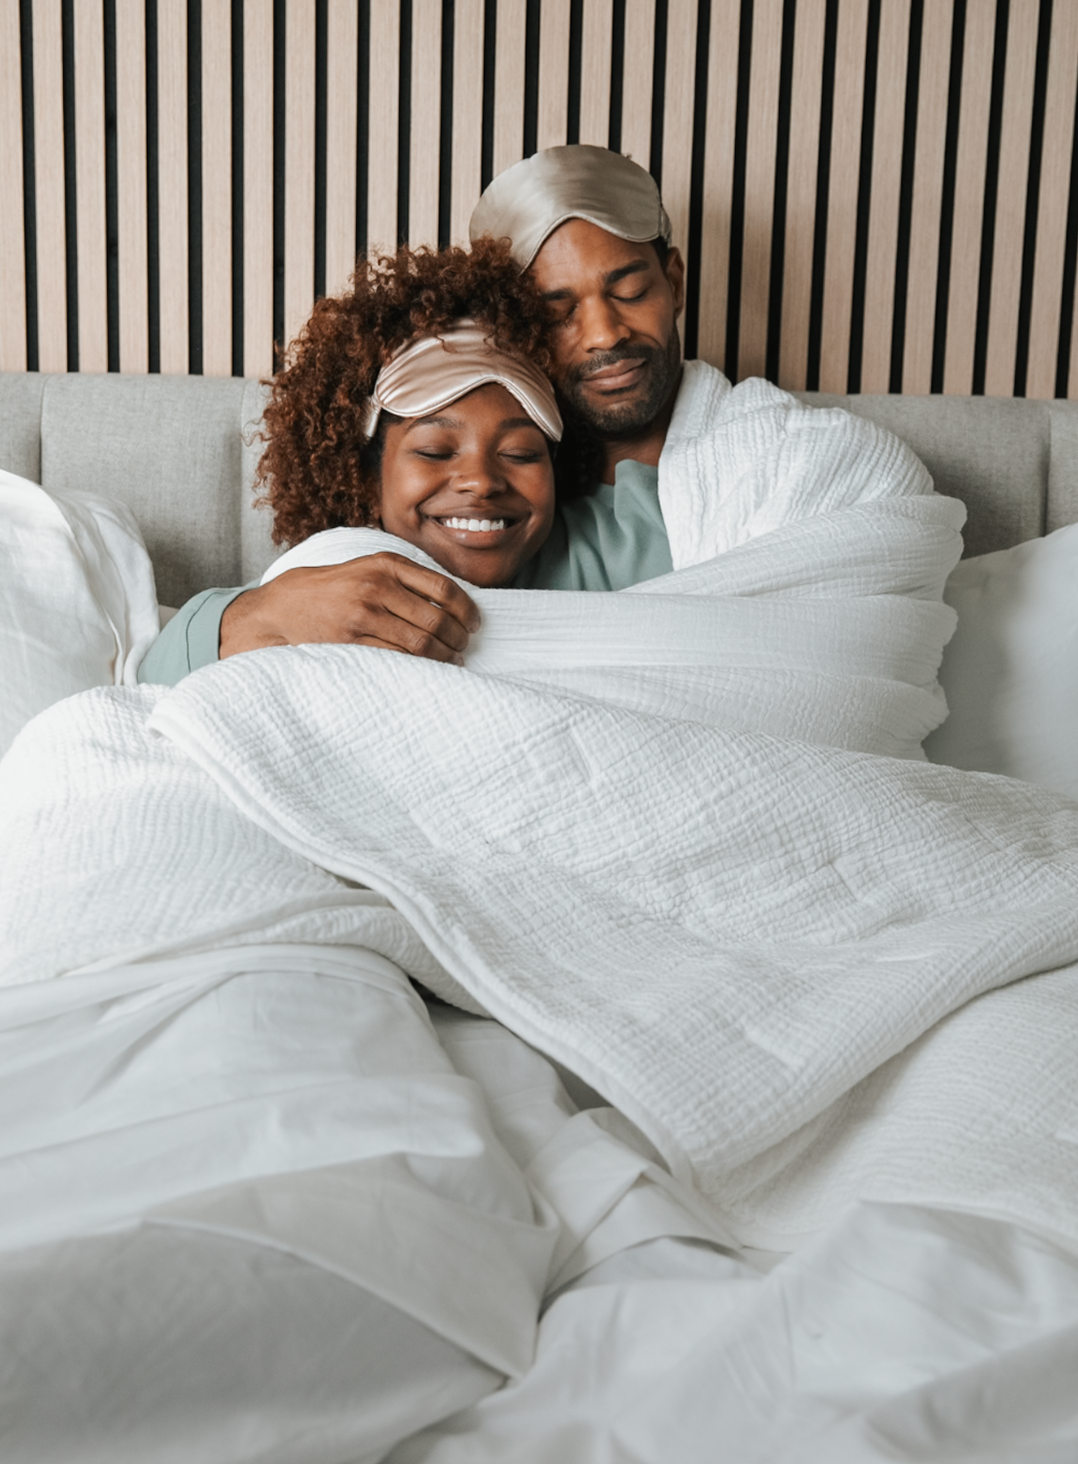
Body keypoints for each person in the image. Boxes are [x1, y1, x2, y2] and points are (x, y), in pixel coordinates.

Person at [140, 143, 926, 685]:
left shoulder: (688, 497)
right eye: (558, 310)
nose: (605, 333)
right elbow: (167, 673)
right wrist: (261, 613)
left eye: (629, 290)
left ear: (675, 281)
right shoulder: (368, 541)